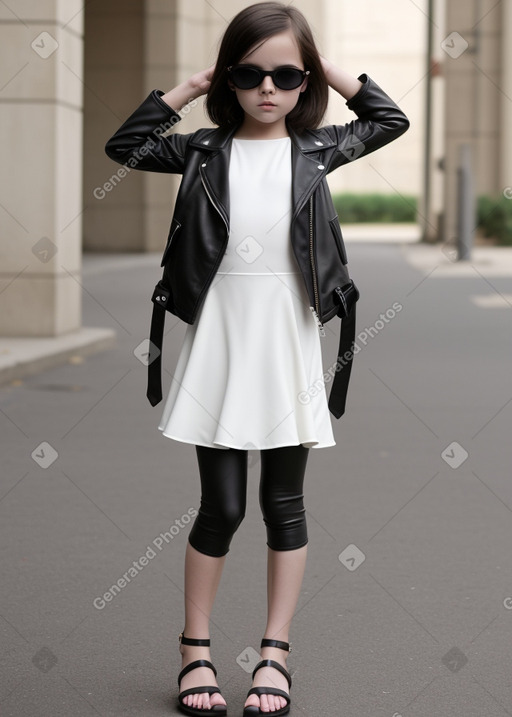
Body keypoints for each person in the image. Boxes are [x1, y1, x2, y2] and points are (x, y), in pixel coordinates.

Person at [104, 2, 409, 715]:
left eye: (285, 75)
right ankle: (195, 648)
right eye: (249, 73)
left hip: (288, 335)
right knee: (223, 505)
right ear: (229, 79)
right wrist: (187, 86)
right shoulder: (205, 149)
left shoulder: (318, 148)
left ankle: (276, 651)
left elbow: (389, 119)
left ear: (305, 82)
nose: (267, 88)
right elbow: (125, 146)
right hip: (222, 336)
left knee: (283, 503)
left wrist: (322, 62)